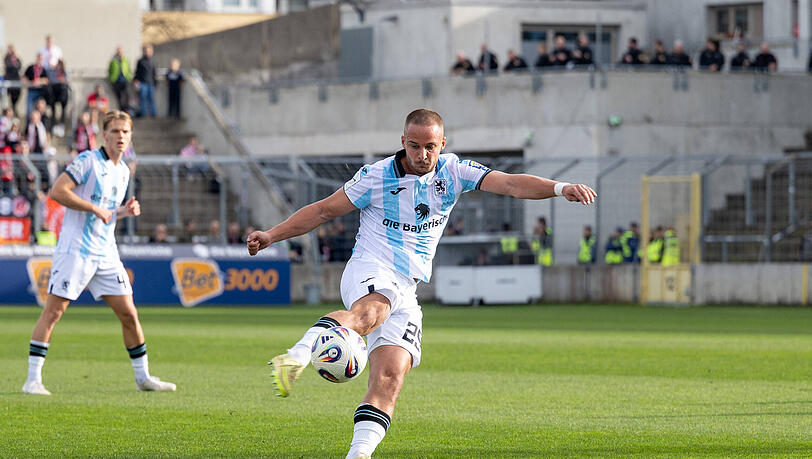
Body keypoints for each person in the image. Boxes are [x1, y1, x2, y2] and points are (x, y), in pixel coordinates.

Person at [246, 109, 596, 459]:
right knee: (370, 313)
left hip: (407, 287)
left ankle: (358, 456)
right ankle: (296, 355)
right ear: (402, 142)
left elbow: (510, 183)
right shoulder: (376, 175)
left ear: (442, 144)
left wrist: (560, 188)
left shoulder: (455, 170)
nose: (422, 155)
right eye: (414, 146)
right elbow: (323, 211)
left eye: (430, 146)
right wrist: (272, 235)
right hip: (371, 267)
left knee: (389, 378)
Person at [22, 110, 176, 395]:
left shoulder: (124, 171)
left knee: (129, 314)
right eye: (115, 131)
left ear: (131, 136)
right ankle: (32, 380)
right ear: (104, 134)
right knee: (54, 311)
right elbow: (58, 191)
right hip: (75, 251)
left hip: (106, 252)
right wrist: (93, 207)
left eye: (125, 132)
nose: (120, 137)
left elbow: (106, 213)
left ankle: (143, 377)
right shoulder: (87, 161)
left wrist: (124, 212)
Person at [108, 46, 133, 113]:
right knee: (118, 97)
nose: (120, 53)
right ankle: (121, 109)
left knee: (126, 95)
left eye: (121, 52)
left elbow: (128, 70)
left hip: (124, 80)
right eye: (118, 52)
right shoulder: (113, 61)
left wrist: (129, 77)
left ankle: (126, 109)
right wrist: (111, 79)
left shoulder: (125, 60)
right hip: (116, 81)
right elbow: (110, 71)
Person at [134, 45, 157, 118]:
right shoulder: (140, 61)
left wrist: (155, 83)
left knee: (151, 99)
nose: (148, 53)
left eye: (149, 51)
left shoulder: (152, 61)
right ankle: (143, 114)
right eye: (147, 51)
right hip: (143, 83)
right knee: (142, 99)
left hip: (151, 83)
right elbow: (137, 72)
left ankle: (153, 114)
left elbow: (154, 73)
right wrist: (136, 80)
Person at [23, 52, 49, 116]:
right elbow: (24, 78)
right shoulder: (30, 67)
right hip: (31, 91)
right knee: (29, 110)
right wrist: (29, 82)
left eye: (41, 59)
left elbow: (46, 80)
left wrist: (39, 81)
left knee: (40, 110)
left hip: (40, 92)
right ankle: (28, 124)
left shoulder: (44, 69)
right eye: (38, 58)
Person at [49, 59, 69, 130]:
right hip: (55, 93)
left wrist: (63, 81)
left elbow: (67, 80)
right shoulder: (53, 72)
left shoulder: (65, 72)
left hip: (62, 94)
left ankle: (61, 124)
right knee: (53, 108)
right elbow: (52, 80)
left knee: (63, 109)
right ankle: (53, 123)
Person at [4, 45, 23, 115]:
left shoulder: (17, 58)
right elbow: (8, 66)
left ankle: (14, 108)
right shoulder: (7, 58)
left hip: (16, 80)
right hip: (9, 80)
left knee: (15, 97)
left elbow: (19, 67)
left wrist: (16, 57)